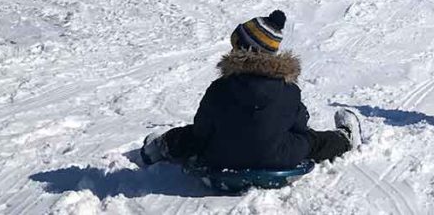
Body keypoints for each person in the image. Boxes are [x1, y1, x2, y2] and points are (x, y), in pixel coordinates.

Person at [141, 11, 362, 170]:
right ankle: (344, 139)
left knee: (191, 137)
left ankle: (162, 147)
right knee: (311, 141)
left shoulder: (220, 88)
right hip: (279, 158)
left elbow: (202, 130)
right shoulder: (288, 90)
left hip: (222, 157)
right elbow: (300, 126)